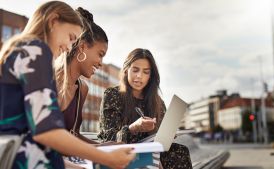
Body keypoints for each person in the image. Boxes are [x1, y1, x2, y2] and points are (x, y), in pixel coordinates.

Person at [0, 1, 135, 169]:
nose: (69, 47)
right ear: (53, 21)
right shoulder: (36, 50)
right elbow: (46, 132)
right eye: (71, 37)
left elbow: (32, 137)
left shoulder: (20, 51)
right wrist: (105, 158)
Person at [98, 48, 193, 169]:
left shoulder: (157, 101)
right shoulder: (112, 95)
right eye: (135, 70)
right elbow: (108, 139)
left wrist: (168, 134)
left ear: (151, 76)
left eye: (146, 72)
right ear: (126, 70)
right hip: (124, 153)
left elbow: (161, 140)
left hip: (151, 151)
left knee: (180, 151)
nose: (139, 76)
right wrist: (133, 128)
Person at [55, 7, 108, 144]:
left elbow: (74, 136)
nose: (101, 63)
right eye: (100, 54)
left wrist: (104, 147)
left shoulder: (82, 89)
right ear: (83, 47)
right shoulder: (48, 78)